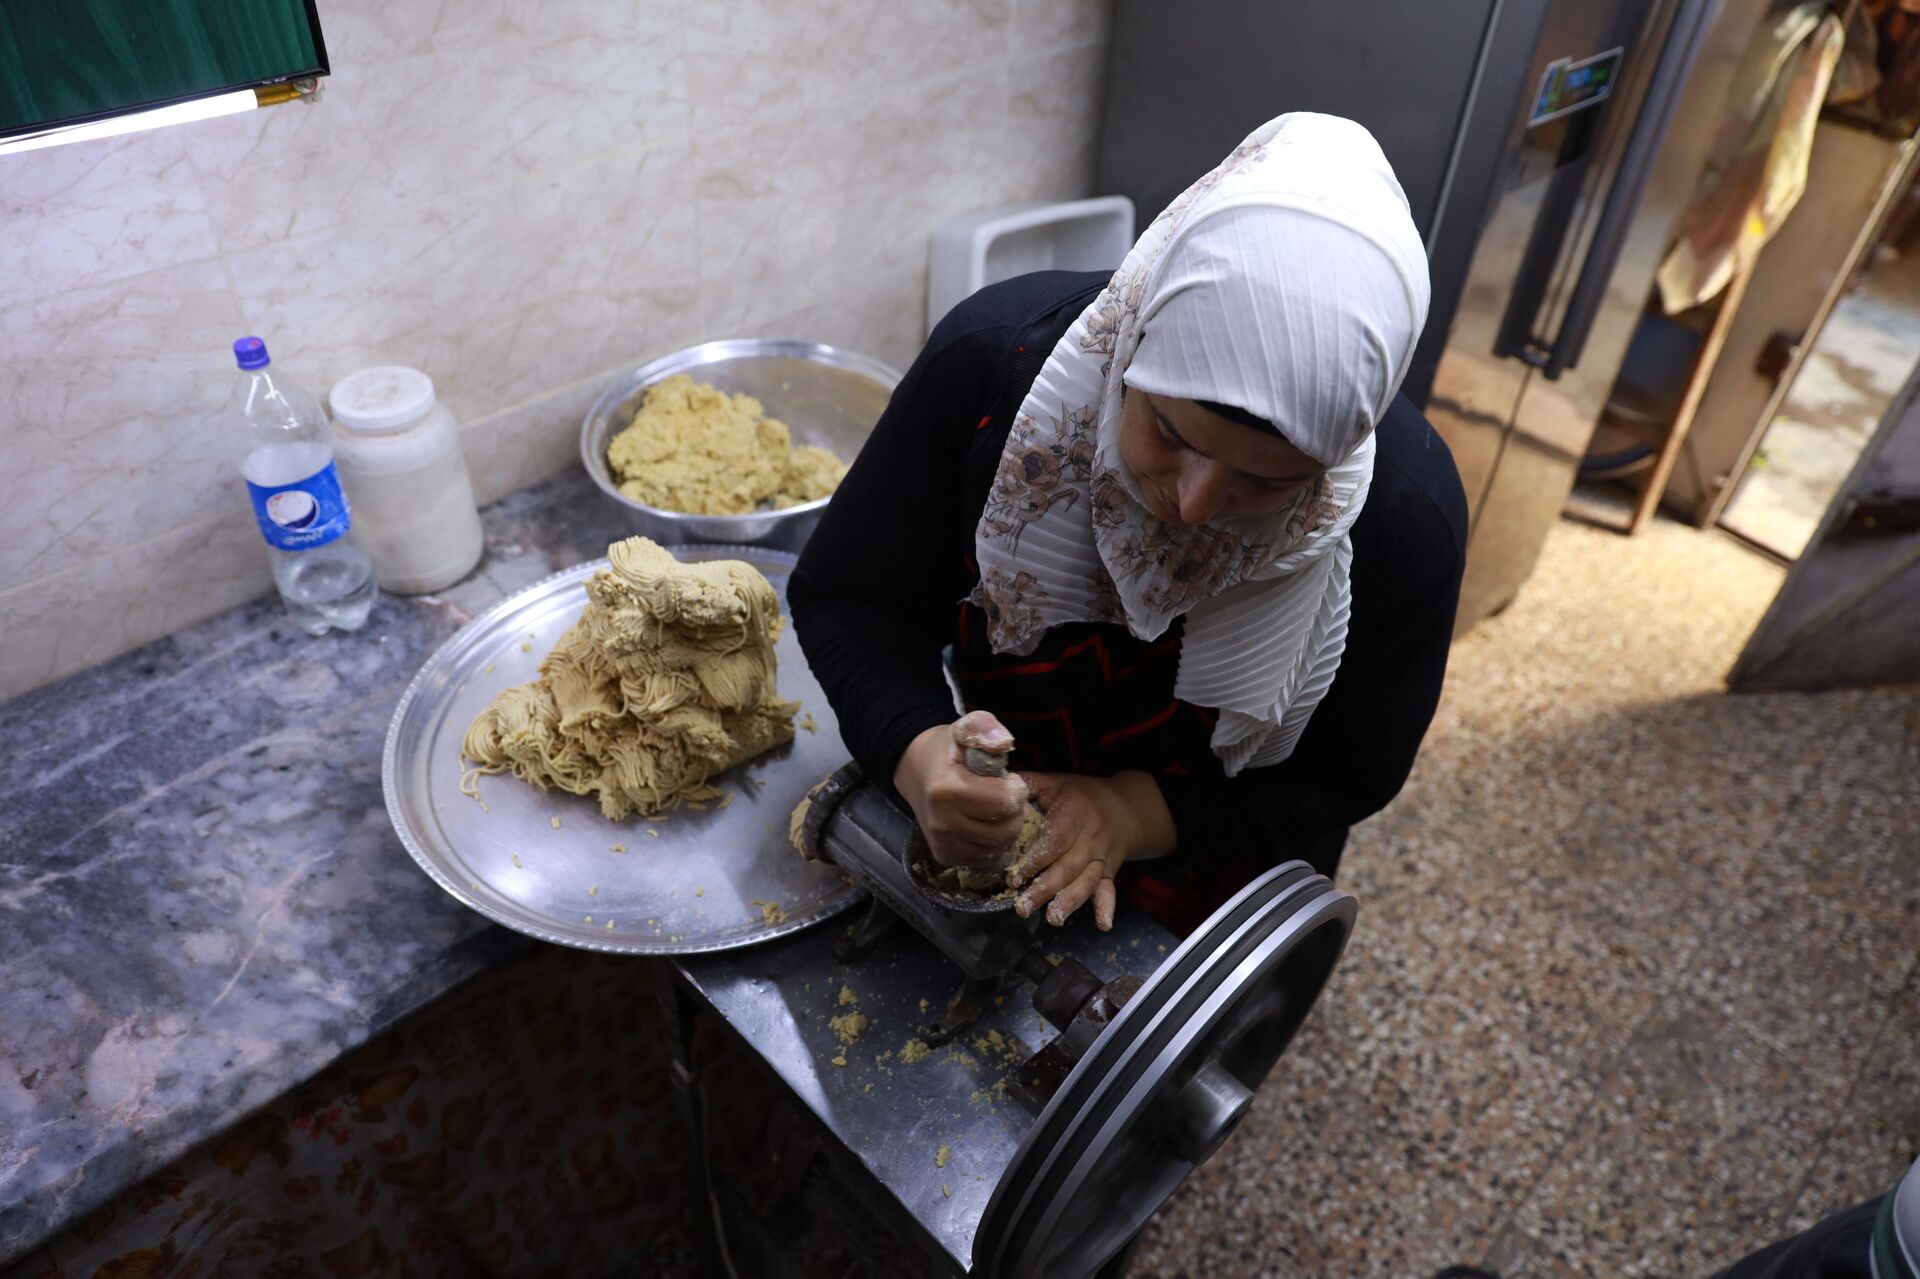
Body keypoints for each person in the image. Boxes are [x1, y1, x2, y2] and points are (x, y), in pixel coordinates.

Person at [790, 112, 1468, 937]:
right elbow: (852, 598)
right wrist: (916, 748)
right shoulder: (991, 382)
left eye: (1266, 482)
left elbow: (1348, 770)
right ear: (1129, 352)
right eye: (1170, 435)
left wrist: (1132, 812)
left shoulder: (1400, 520)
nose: (1192, 505)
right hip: (1001, 820)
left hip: (1218, 861)